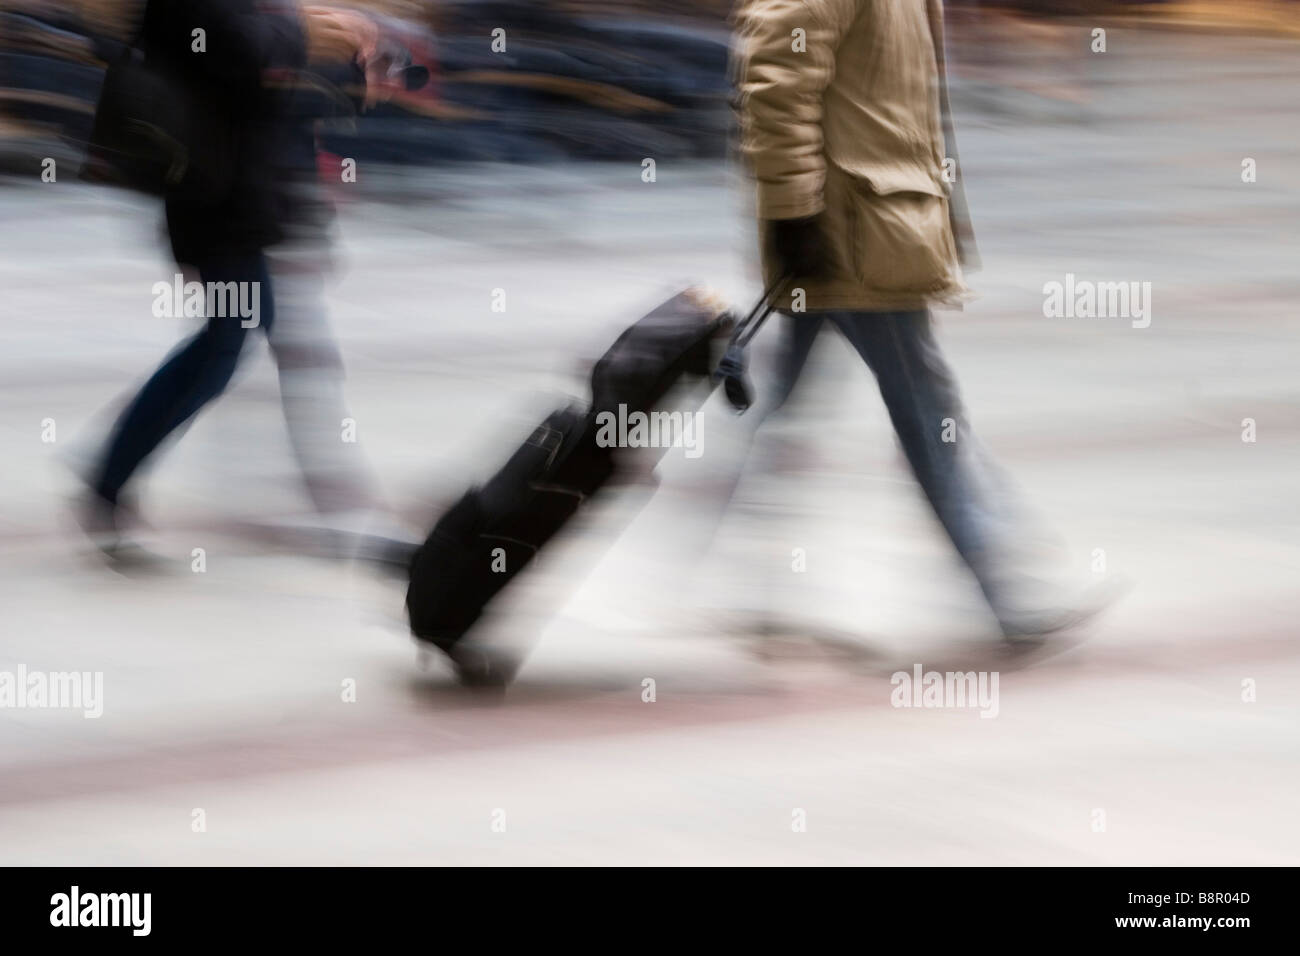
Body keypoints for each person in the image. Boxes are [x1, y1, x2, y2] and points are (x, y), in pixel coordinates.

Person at [731, 0, 1118, 637]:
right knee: (930, 409)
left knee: (785, 400)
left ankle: (724, 568)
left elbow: (894, 105)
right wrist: (795, 212)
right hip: (848, 233)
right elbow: (775, 76)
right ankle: (1009, 589)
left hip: (869, 223)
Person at [79, 0, 407, 563]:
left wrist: (347, 68)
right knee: (228, 345)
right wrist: (317, 40)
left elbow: (267, 92)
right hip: (214, 203)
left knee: (274, 348)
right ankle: (108, 484)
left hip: (248, 200)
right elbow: (245, 62)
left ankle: (338, 508)